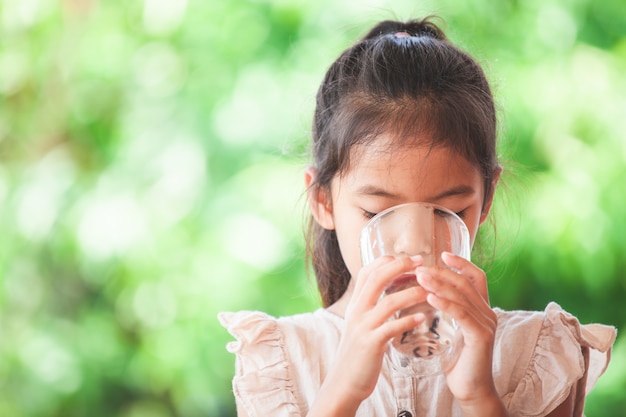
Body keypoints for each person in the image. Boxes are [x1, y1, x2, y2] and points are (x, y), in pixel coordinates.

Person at [218, 17, 616, 417]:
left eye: (450, 211)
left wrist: (480, 397)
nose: (414, 242)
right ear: (323, 200)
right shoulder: (281, 362)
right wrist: (344, 389)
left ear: (487, 197)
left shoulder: (538, 353)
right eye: (378, 212)